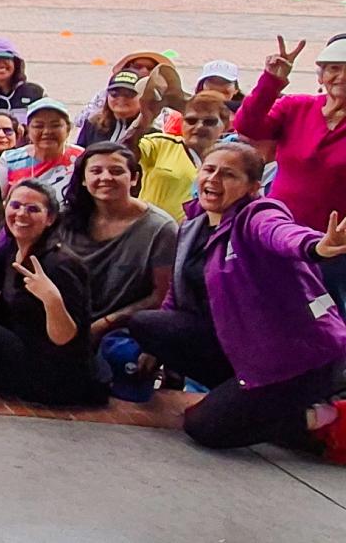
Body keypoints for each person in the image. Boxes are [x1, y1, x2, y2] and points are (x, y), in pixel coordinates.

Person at [127, 143, 346, 457]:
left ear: (253, 187)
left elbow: (282, 234)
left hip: (299, 359)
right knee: (147, 325)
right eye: (210, 169)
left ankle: (323, 413)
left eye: (228, 174)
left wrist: (317, 247)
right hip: (245, 345)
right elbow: (178, 293)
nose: (214, 179)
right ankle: (251, 404)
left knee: (204, 427)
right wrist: (157, 350)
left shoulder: (257, 215)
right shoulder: (193, 225)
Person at [0, 180, 108, 406]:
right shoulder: (14, 247)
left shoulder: (59, 264)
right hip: (26, 347)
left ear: (50, 218)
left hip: (56, 377)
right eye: (15, 205)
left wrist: (52, 300)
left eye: (33, 209)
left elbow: (67, 340)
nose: (21, 214)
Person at [234, 35, 346, 309]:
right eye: (334, 68)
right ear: (320, 76)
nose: (341, 76)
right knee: (270, 309)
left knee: (327, 318)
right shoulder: (296, 106)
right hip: (278, 232)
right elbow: (248, 126)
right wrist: (272, 80)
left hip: (334, 245)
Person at [58, 142, 175, 343]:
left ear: (134, 178)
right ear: (84, 180)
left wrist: (104, 323)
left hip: (121, 330)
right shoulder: (65, 218)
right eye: (96, 171)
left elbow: (161, 295)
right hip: (63, 318)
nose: (105, 177)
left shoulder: (160, 228)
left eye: (116, 171)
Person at [132, 92, 230, 220]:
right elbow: (122, 153)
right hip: (152, 233)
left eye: (209, 122)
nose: (199, 126)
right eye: (191, 120)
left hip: (198, 237)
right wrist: (143, 121)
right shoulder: (160, 144)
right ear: (182, 123)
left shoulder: (230, 160)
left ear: (225, 126)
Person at [0, 100, 82, 193]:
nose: (47, 132)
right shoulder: (10, 160)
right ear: (28, 129)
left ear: (68, 129)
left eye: (55, 125)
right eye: (38, 126)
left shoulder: (81, 158)